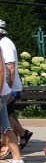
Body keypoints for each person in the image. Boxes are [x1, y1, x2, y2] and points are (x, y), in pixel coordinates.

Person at [0, 20, 32, 152]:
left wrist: (9, 90)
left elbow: (10, 69)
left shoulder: (4, 44)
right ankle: (23, 135)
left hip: (8, 88)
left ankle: (9, 144)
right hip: (7, 88)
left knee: (6, 117)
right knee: (7, 116)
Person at [0, 54, 25, 163]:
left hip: (1, 93)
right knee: (6, 126)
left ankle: (17, 160)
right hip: (3, 92)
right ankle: (17, 160)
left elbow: (1, 71)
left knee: (5, 126)